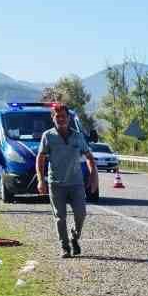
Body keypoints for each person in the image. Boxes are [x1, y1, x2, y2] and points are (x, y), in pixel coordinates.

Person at [35, 103, 95, 257]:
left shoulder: (77, 136)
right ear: (53, 118)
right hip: (56, 184)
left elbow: (89, 157)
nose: (60, 119)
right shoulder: (48, 136)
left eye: (63, 116)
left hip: (76, 183)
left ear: (69, 118)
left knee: (81, 214)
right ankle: (65, 247)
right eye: (57, 116)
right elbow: (40, 159)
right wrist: (41, 180)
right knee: (60, 217)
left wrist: (94, 175)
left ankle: (74, 237)